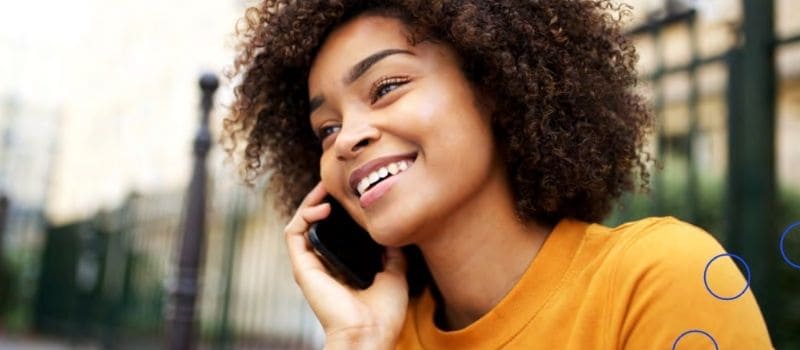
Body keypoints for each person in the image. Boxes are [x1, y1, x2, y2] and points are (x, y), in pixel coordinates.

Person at [224, 0, 773, 348]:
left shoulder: (659, 279)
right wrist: (357, 341)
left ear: (493, 85)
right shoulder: (382, 335)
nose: (346, 138)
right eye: (326, 128)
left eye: (386, 87)